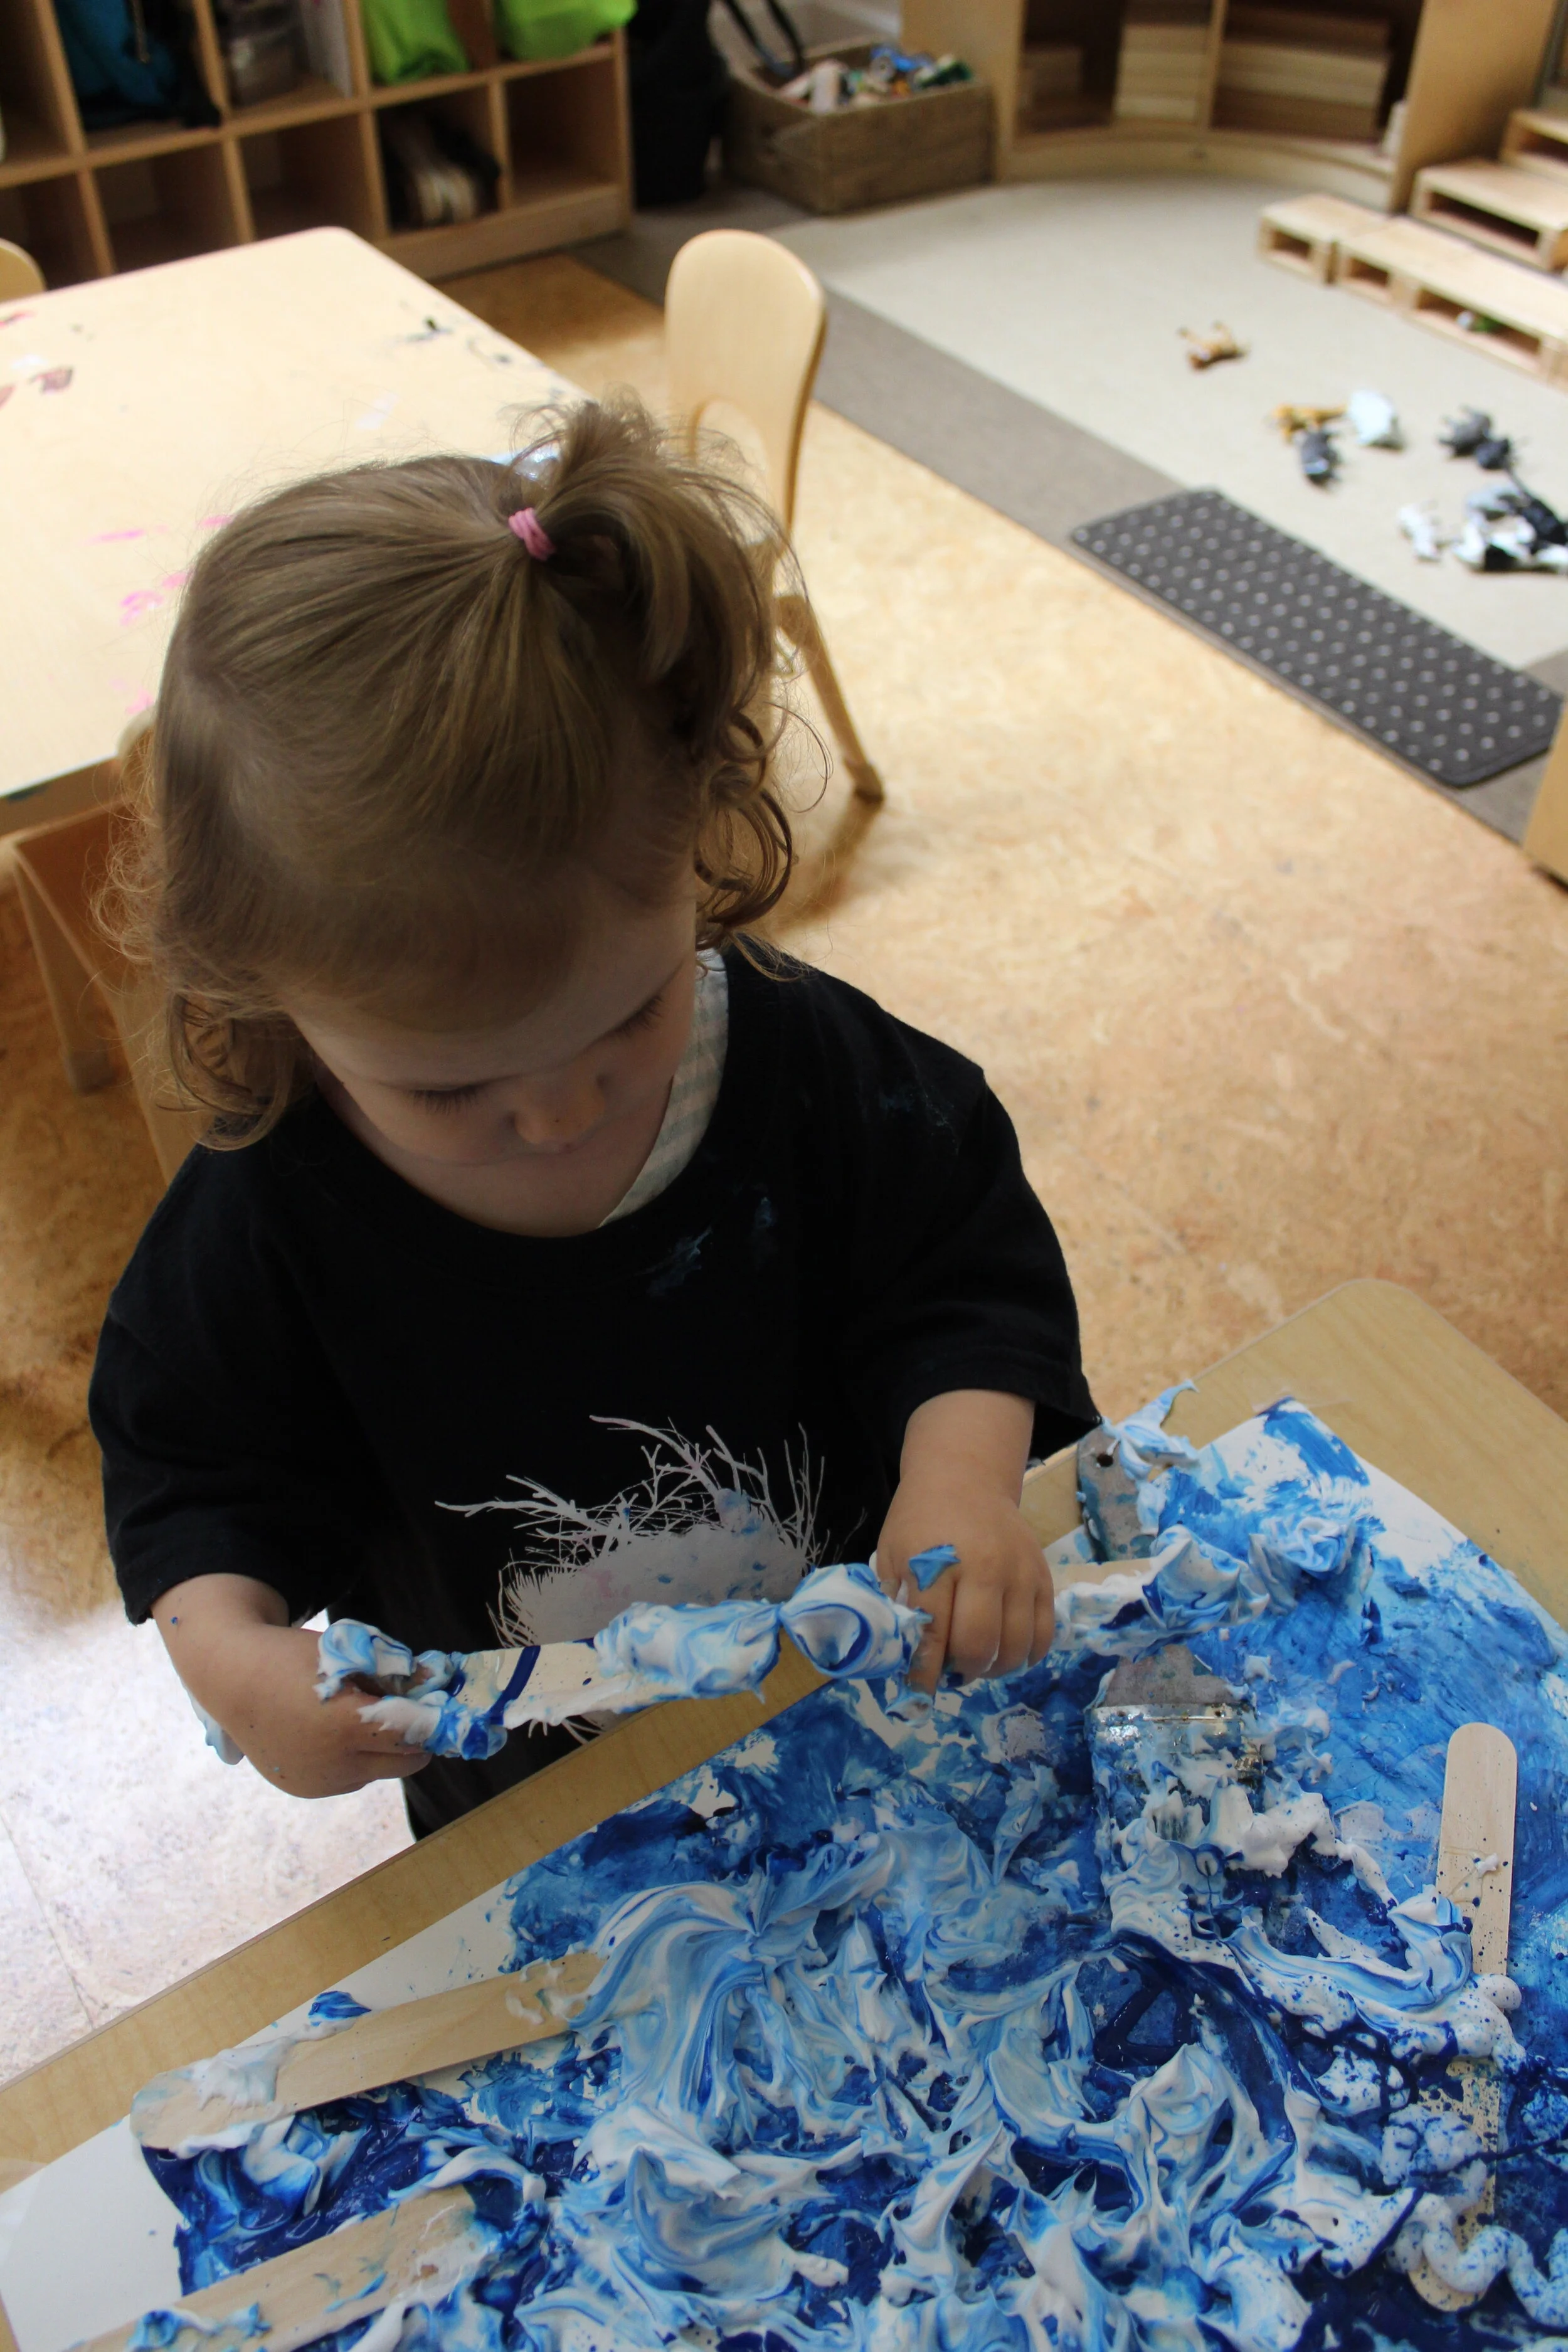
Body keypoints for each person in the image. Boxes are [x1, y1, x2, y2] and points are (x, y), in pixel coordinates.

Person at [89, 396, 1097, 1838]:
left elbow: (961, 1275)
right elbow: (196, 1473)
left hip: (863, 1706)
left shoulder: (813, 1070)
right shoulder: (266, 1213)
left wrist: (959, 1483)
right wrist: (240, 1670)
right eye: (447, 1087)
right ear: (262, 995)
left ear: (700, 837)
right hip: (537, 1808)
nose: (560, 1110)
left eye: (628, 1016)